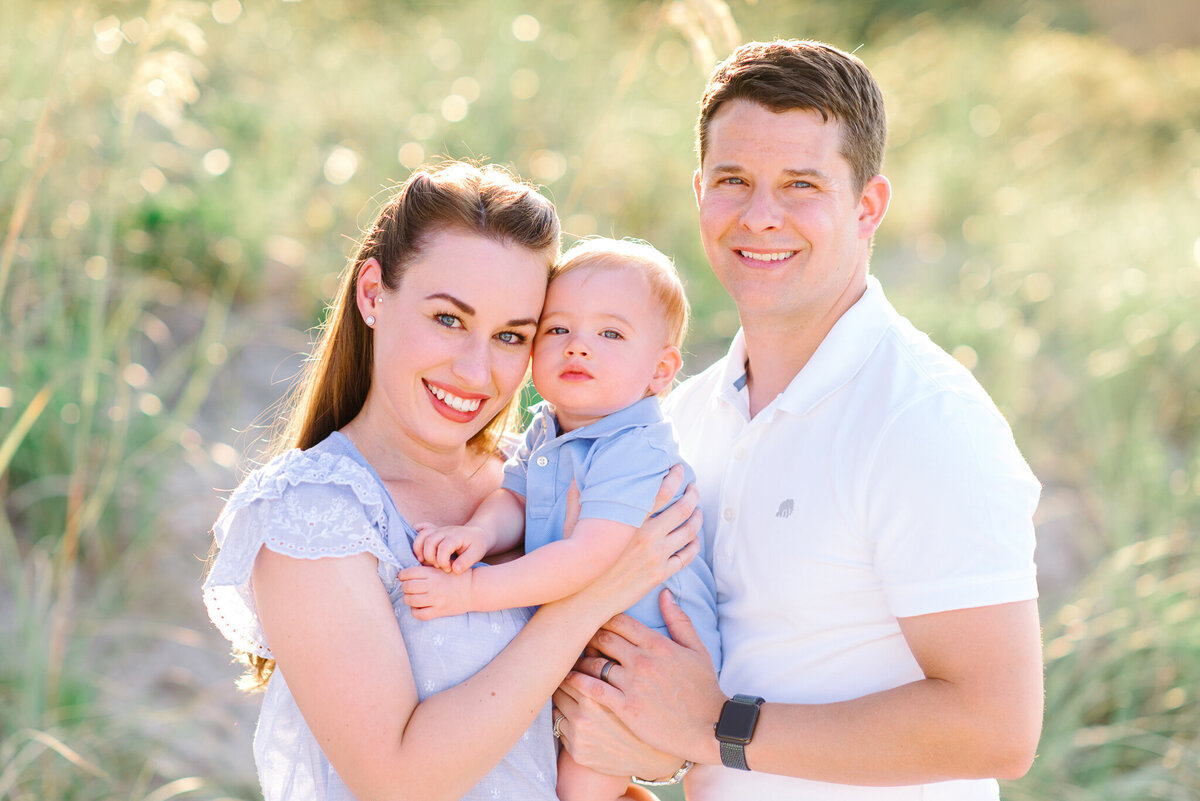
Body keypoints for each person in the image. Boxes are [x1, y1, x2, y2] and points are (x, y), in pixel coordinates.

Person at [552, 39, 1044, 800]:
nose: (759, 216)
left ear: (868, 205)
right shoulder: (677, 417)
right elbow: (689, 696)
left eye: (800, 184)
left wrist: (715, 726)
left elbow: (997, 727)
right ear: (700, 191)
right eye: (734, 180)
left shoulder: (923, 420)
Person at [201, 161, 701, 801]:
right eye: (448, 319)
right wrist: (589, 598)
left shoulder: (536, 477)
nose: (475, 369)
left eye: (511, 335)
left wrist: (649, 755)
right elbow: (397, 781)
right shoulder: (315, 512)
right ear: (373, 294)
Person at [399, 237, 722, 801]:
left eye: (610, 334)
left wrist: (472, 590)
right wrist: (477, 532)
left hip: (643, 663)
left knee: (580, 781)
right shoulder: (551, 428)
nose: (578, 348)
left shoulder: (635, 447)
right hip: (586, 647)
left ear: (660, 370)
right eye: (558, 330)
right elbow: (516, 501)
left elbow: (587, 558)